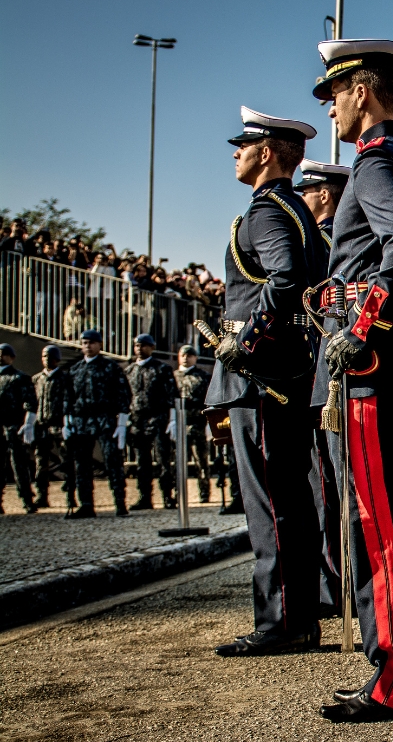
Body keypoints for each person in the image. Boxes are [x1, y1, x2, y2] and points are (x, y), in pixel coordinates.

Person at [311, 39, 393, 721]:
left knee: (381, 529)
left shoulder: (375, 164)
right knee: (390, 527)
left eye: (334, 93)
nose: (330, 106)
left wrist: (363, 330)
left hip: (371, 374)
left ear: (363, 91)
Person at [209, 106, 326, 657]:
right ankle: (296, 617)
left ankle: (283, 623)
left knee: (271, 504)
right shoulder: (297, 212)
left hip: (263, 376)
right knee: (291, 499)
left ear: (268, 152)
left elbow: (288, 278)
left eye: (243, 145)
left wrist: (249, 340)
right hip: (288, 370)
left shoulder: (266, 212)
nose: (235, 153)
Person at [294, 159, 350, 612]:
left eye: (307, 191)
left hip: (327, 377)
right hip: (319, 376)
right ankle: (336, 584)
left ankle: (340, 586)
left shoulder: (329, 243)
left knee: (332, 490)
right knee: (324, 488)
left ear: (326, 195)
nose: (302, 198)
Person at [63, 329, 131, 518]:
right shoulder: (75, 370)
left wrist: (122, 423)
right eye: (84, 343)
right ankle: (86, 503)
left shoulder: (110, 367)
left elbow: (123, 394)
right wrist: (66, 421)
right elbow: (68, 398)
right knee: (82, 464)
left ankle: (119, 502)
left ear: (100, 345)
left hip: (105, 419)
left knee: (112, 460)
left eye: (91, 343)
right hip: (81, 421)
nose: (88, 346)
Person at [125, 333, 179, 510]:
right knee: (142, 462)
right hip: (137, 420)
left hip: (158, 419)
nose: (140, 348)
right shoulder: (130, 370)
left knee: (163, 460)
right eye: (137, 345)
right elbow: (125, 397)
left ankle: (167, 496)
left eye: (144, 345)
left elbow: (172, 395)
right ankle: (144, 497)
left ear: (152, 347)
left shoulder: (161, 369)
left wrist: (172, 420)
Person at [0, 344, 38, 515]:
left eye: (3, 354)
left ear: (11, 357)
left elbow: (31, 402)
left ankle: (27, 501)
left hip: (14, 426)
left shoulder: (20, 377)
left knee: (19, 466)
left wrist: (28, 423)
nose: (0, 357)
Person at [32, 344, 70, 509]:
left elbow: (68, 401)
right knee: (41, 463)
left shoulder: (64, 378)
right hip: (42, 425)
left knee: (66, 461)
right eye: (44, 356)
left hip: (59, 425)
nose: (46, 359)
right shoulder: (36, 379)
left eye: (50, 356)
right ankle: (41, 495)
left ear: (57, 359)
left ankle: (70, 496)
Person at [173, 345, 212, 503]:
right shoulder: (172, 376)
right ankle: (177, 494)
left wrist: (209, 422)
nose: (185, 357)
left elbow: (208, 400)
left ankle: (204, 492)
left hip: (197, 424)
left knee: (201, 461)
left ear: (195, 358)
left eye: (189, 355)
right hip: (178, 423)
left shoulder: (202, 377)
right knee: (177, 462)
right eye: (183, 354)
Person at [293, 159, 351, 247]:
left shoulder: (319, 240)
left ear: (324, 196)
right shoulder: (345, 235)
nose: (301, 198)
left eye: (305, 193)